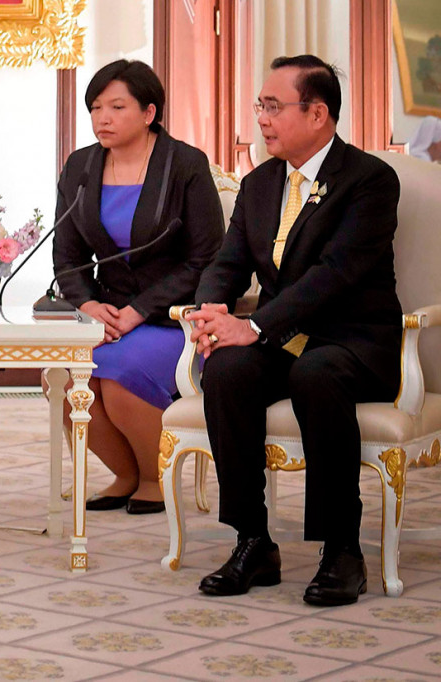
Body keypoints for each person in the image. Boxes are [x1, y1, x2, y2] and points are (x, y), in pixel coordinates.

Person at [188, 55, 401, 607]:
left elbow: (337, 275)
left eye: (274, 106)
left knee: (315, 374)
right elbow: (228, 262)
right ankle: (253, 542)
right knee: (227, 371)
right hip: (283, 338)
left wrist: (254, 323)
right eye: (260, 105)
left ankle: (342, 551)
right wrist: (210, 311)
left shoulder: (370, 180)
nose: (261, 117)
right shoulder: (260, 184)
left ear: (318, 113)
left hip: (351, 341)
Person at [50, 60, 224, 515]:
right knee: (71, 384)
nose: (101, 118)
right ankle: (125, 475)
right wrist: (88, 304)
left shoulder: (184, 164)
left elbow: (205, 259)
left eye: (116, 106)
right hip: (106, 316)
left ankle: (153, 477)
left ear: (149, 113)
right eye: (95, 107)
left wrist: (139, 311)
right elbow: (66, 256)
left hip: (172, 318)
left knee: (120, 377)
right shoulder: (80, 167)